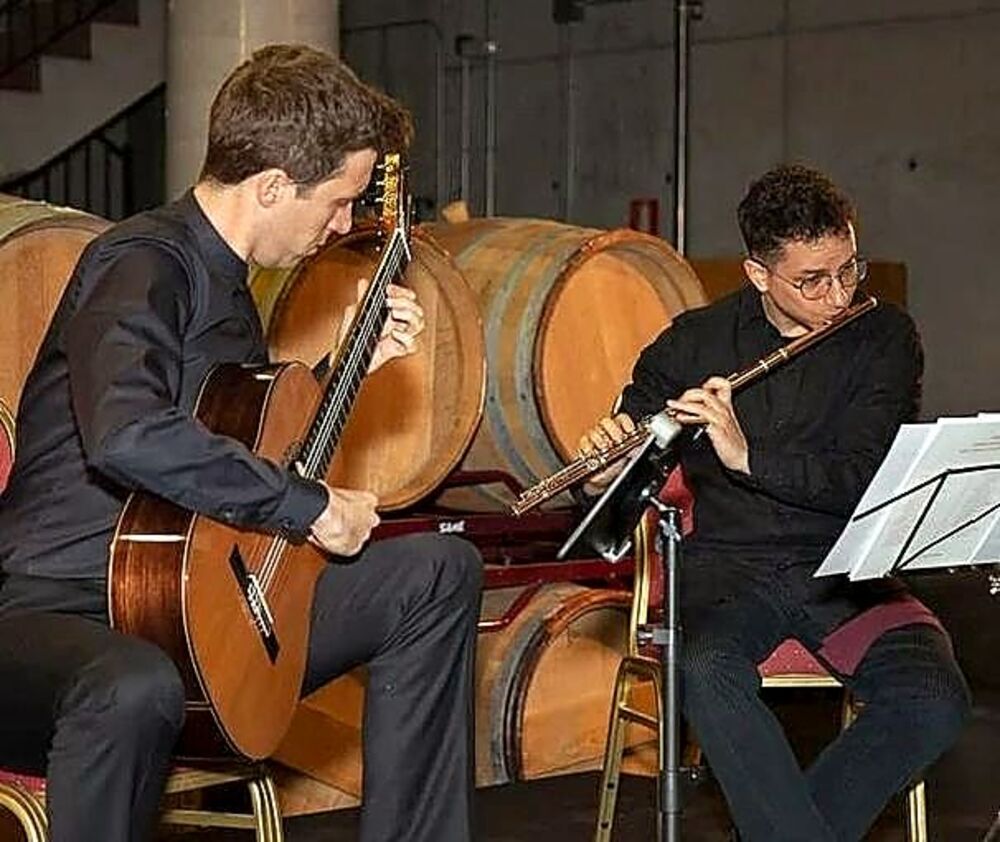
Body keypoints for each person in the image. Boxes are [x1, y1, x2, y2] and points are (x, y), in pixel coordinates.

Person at [0, 44, 481, 842]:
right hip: (52, 609)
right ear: (271, 186)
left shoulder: (231, 289)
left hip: (188, 605)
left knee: (437, 571)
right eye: (336, 203)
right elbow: (127, 431)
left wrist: (345, 372)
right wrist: (308, 505)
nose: (339, 226)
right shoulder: (140, 262)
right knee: (132, 686)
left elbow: (234, 445)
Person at [580, 164, 970, 841]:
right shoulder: (693, 342)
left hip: (844, 566)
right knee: (704, 669)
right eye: (812, 281)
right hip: (730, 572)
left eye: (849, 270)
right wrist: (604, 473)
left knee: (934, 699)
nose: (838, 295)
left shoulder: (883, 338)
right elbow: (623, 486)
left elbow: (863, 474)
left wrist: (748, 457)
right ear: (758, 275)